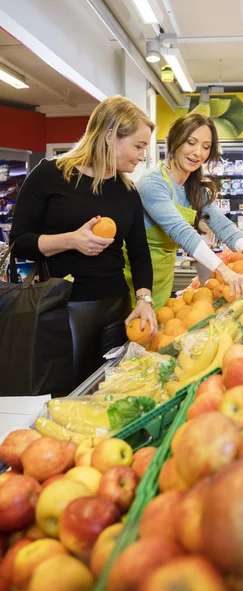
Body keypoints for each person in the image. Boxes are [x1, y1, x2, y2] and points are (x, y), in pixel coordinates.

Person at [10, 95, 158, 389]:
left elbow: (139, 252)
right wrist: (71, 240)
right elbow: (19, 243)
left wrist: (144, 299)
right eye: (139, 146)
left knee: (108, 391)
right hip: (63, 309)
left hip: (116, 307)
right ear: (109, 136)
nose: (142, 156)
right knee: (64, 394)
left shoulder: (127, 192)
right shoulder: (49, 176)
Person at [135, 113, 243, 310]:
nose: (198, 153)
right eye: (191, 142)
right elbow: (181, 231)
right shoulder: (152, 182)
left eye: (206, 147)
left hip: (163, 279)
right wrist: (224, 271)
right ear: (175, 140)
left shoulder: (194, 187)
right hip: (136, 282)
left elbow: (222, 224)